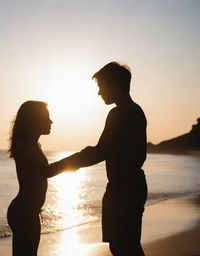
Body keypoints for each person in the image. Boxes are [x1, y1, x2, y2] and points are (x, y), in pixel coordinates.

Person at [55, 62, 148, 255]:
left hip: (124, 189)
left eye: (101, 86)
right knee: (127, 245)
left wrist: (57, 167)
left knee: (124, 247)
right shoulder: (135, 111)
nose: (99, 93)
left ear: (115, 84)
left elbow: (100, 152)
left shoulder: (120, 113)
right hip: (132, 186)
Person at [7, 101, 74, 256]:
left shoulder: (33, 145)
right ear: (33, 119)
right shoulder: (25, 146)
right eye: (46, 117)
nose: (51, 122)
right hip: (24, 212)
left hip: (29, 211)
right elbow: (44, 172)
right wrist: (73, 161)